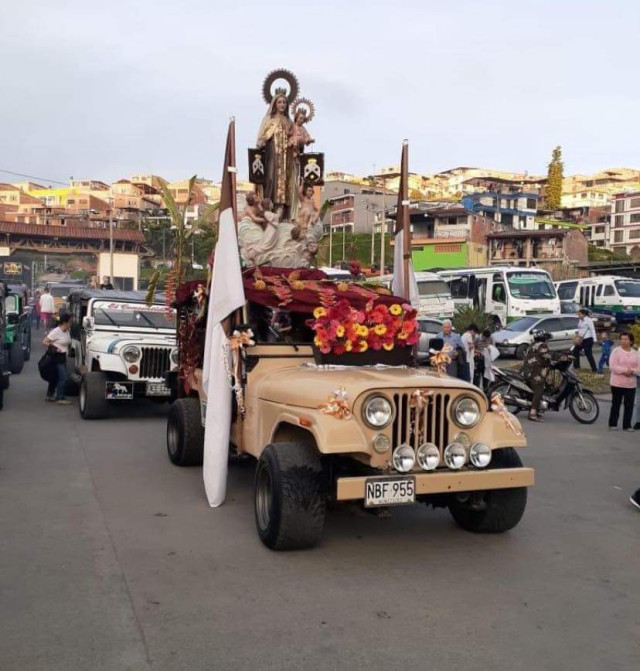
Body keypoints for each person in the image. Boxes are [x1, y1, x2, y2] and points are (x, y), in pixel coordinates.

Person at [608, 332, 640, 431]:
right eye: (622, 339)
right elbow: (613, 366)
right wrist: (625, 371)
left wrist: (633, 371)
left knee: (629, 405)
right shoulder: (616, 351)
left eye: (626, 339)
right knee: (616, 403)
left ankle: (627, 425)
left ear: (631, 341)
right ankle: (613, 424)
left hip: (631, 384)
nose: (624, 341)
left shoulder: (636, 353)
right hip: (617, 383)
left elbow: (639, 367)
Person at [520, 329, 554, 422]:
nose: (547, 340)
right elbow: (549, 355)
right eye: (546, 338)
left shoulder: (532, 344)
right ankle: (532, 413)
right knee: (539, 389)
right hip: (533, 372)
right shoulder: (542, 346)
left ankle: (535, 407)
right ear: (543, 338)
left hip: (527, 370)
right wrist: (565, 357)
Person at [42, 313, 73, 405]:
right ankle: (59, 397)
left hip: (63, 356)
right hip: (56, 357)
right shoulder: (56, 331)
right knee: (63, 378)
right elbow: (45, 341)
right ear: (64, 322)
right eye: (70, 322)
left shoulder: (67, 331)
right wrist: (55, 348)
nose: (71, 324)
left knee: (55, 376)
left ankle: (50, 395)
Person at [573, 308, 597, 372]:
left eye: (580, 314)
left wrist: (594, 340)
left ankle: (594, 369)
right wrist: (577, 334)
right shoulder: (581, 320)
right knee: (575, 351)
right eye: (578, 314)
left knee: (588, 353)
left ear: (584, 314)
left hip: (588, 339)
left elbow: (592, 329)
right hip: (581, 339)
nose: (578, 315)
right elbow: (580, 328)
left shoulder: (588, 320)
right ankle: (577, 367)